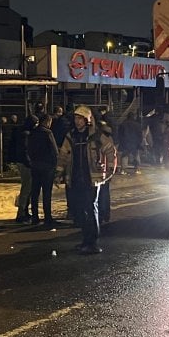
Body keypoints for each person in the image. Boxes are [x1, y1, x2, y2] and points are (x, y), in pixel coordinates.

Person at [57, 105, 116, 255]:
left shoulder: (97, 136)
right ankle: (85, 240)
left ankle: (93, 242)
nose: (77, 122)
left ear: (87, 120)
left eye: (80, 119)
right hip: (76, 179)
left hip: (92, 180)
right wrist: (59, 172)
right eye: (76, 118)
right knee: (80, 210)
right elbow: (63, 155)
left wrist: (109, 170)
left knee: (90, 208)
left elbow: (110, 151)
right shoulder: (71, 136)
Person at [27, 114, 59, 225]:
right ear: (47, 122)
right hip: (47, 167)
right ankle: (47, 217)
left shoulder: (33, 133)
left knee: (35, 192)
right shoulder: (48, 133)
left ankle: (35, 216)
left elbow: (29, 148)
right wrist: (55, 165)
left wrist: (32, 160)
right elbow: (54, 151)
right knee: (46, 193)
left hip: (35, 165)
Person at [11, 114, 36, 223]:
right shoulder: (26, 134)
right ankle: (21, 212)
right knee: (26, 188)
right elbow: (25, 150)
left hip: (22, 162)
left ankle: (24, 211)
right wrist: (30, 163)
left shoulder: (21, 132)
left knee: (27, 188)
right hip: (26, 164)